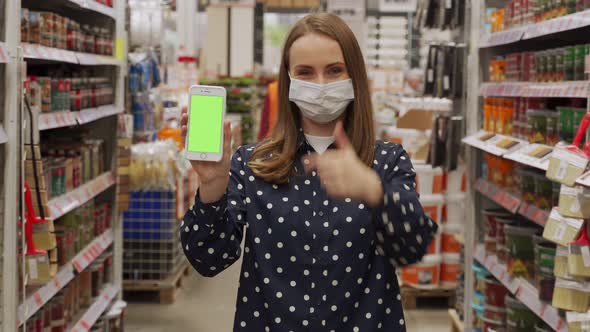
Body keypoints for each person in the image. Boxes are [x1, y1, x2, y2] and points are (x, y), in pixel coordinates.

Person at [180, 13, 438, 332]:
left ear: (354, 75)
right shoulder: (254, 164)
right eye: (305, 72)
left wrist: (374, 191)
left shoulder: (386, 161)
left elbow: (413, 245)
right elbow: (208, 258)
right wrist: (212, 184)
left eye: (334, 71)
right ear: (289, 79)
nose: (320, 85)